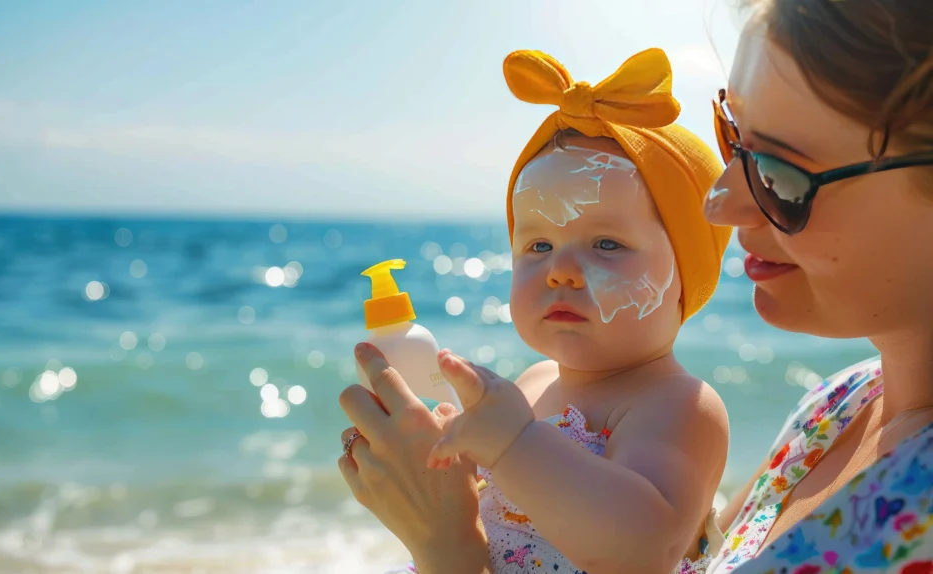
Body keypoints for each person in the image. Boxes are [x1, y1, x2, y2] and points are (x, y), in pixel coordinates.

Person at [337, 0, 933, 572]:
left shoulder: (681, 409)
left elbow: (640, 551)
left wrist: (450, 550)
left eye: (779, 171)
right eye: (735, 143)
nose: (720, 204)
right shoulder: (835, 408)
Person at [339, 47, 733, 573]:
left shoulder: (679, 405)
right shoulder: (532, 383)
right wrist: (428, 456)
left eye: (608, 244)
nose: (559, 271)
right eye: (539, 246)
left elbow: (646, 550)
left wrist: (515, 443)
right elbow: (465, 522)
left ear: (687, 274)